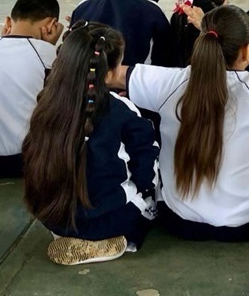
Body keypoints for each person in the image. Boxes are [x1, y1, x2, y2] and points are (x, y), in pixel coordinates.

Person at [121, 5, 249, 241]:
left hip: (177, 220)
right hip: (245, 225)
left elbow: (114, 74)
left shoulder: (167, 82)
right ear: (247, 51)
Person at [22, 22, 158, 266]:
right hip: (112, 219)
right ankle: (117, 240)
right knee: (151, 198)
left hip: (53, 216)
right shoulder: (121, 109)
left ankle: (70, 235)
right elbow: (146, 165)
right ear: (107, 74)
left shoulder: (45, 104)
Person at [0, 0, 63, 177]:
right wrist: (50, 47)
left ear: (8, 21)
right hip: (35, 163)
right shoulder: (50, 58)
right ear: (51, 25)